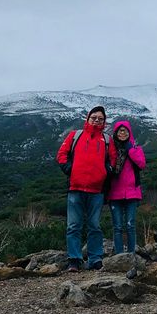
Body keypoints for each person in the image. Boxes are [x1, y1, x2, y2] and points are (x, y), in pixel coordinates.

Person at [56, 106, 116, 272]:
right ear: (88, 118)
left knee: (94, 226)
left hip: (96, 190)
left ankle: (95, 259)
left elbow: (113, 160)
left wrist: (107, 171)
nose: (97, 120)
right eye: (94, 117)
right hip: (76, 188)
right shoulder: (75, 135)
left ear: (104, 122)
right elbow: (61, 154)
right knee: (73, 226)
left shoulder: (107, 140)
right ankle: (74, 260)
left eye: (100, 119)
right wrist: (69, 168)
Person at [106, 120, 146, 258]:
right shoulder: (111, 150)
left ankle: (131, 255)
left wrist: (130, 149)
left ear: (130, 133)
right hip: (114, 193)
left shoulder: (136, 149)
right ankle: (119, 256)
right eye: (120, 130)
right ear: (115, 133)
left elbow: (141, 164)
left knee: (130, 225)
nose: (122, 133)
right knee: (117, 227)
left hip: (132, 193)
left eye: (125, 130)